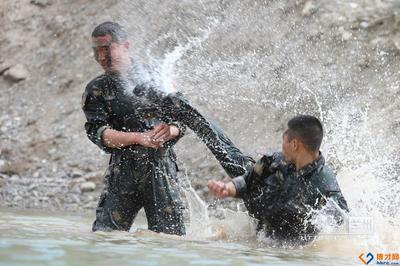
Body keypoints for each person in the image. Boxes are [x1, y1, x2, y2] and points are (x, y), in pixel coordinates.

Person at [82, 21, 253, 235]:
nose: (101, 57)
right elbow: (98, 133)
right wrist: (138, 138)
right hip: (122, 173)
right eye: (96, 51)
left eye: (107, 49)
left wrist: (170, 130)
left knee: (170, 241)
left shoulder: (153, 75)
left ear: (125, 46)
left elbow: (183, 119)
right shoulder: (96, 89)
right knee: (104, 237)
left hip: (161, 170)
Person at [208, 115, 349, 246]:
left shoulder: (324, 181)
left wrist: (322, 219)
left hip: (291, 248)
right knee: (222, 149)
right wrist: (227, 188)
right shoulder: (275, 161)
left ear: (294, 144)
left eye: (284, 141)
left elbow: (341, 215)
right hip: (260, 232)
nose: (282, 146)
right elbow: (247, 181)